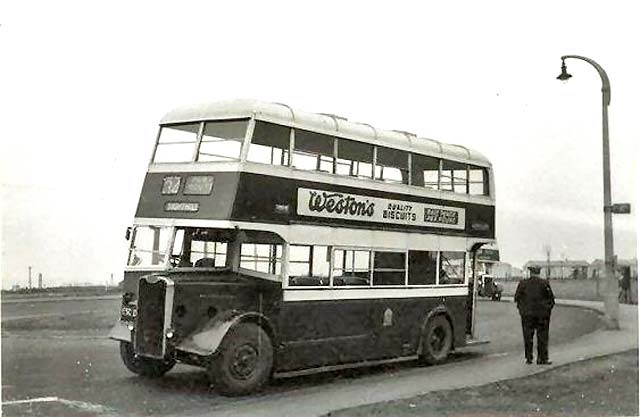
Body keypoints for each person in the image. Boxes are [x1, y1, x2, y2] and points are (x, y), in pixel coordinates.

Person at [514, 266, 555, 365]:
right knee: (542, 336)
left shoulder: (523, 283)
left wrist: (521, 310)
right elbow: (551, 299)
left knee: (528, 336)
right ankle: (542, 358)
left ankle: (529, 357)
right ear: (539, 272)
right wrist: (547, 310)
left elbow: (516, 298)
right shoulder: (544, 283)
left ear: (530, 272)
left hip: (527, 314)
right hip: (542, 315)